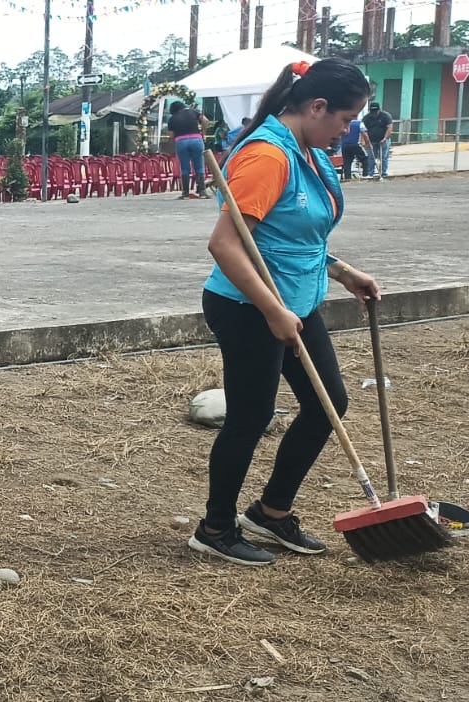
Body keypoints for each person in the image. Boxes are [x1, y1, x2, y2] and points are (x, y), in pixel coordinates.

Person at [192, 58, 379, 567]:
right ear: (317, 107)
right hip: (247, 305)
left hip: (294, 301)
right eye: (346, 119)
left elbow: (294, 235)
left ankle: (271, 512)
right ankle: (215, 528)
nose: (348, 130)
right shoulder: (267, 157)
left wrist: (342, 272)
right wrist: (272, 310)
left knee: (327, 403)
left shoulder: (307, 152)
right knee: (250, 416)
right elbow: (226, 244)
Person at [168, 101, 212, 199]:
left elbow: (171, 136)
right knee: (199, 166)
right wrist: (203, 133)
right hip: (196, 139)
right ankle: (202, 192)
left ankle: (185, 193)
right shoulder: (193, 112)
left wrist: (175, 145)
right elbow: (205, 120)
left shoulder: (172, 118)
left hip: (181, 141)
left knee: (184, 168)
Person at [362, 101, 393, 179]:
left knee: (383, 157)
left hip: (383, 140)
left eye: (376, 111)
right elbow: (363, 131)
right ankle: (370, 173)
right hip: (371, 141)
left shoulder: (386, 116)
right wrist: (365, 141)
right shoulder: (366, 118)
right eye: (372, 111)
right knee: (371, 157)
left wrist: (385, 138)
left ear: (379, 109)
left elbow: (389, 127)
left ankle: (383, 173)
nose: (374, 113)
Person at [340, 112, 373, 180]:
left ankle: (347, 177)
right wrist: (368, 144)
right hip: (355, 144)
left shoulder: (344, 123)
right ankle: (365, 175)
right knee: (365, 158)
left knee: (347, 161)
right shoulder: (359, 124)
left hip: (345, 145)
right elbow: (365, 135)